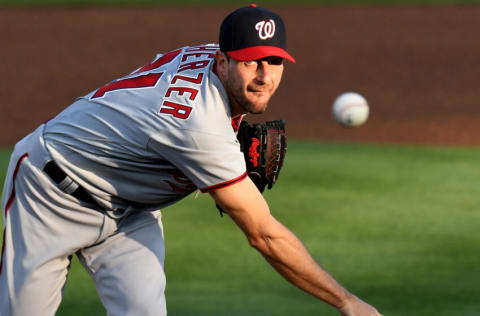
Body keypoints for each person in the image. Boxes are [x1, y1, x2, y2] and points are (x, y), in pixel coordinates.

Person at [0, 4, 382, 316]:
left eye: (273, 61)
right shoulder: (199, 128)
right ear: (222, 62)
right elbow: (263, 235)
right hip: (48, 191)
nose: (264, 76)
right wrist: (348, 303)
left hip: (129, 210)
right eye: (251, 63)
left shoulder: (210, 64)